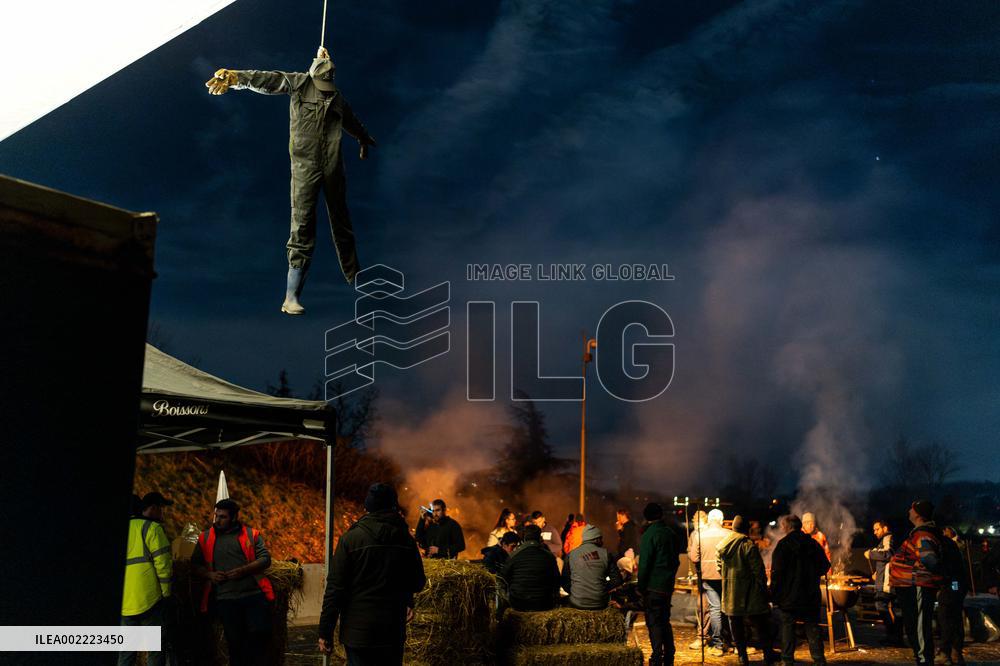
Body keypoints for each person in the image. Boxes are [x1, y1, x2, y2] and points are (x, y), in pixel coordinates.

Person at [205, 47, 377, 314]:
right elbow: (268, 79)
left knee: (342, 222)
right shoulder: (299, 82)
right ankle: (291, 297)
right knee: (302, 227)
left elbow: (352, 121)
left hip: (333, 167)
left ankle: (356, 278)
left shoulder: (337, 98)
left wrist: (363, 138)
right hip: (305, 168)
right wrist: (236, 77)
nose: (324, 90)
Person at [318, 483, 426, 665]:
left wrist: (325, 632)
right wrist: (406, 599)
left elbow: (335, 589)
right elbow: (417, 582)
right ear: (394, 506)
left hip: (358, 632)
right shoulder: (405, 539)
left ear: (367, 506)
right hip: (392, 631)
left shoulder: (350, 539)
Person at [192, 498, 274, 666]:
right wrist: (210, 575)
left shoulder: (251, 534)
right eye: (216, 516)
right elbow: (194, 565)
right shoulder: (205, 537)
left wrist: (244, 570)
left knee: (259, 636)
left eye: (223, 517)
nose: (218, 520)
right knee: (235, 643)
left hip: (253, 595)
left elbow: (265, 559)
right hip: (226, 599)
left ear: (234, 517)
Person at [119, 491, 174, 666]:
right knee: (155, 649)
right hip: (150, 598)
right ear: (154, 508)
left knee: (127, 651)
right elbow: (164, 566)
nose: (163, 513)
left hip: (126, 602)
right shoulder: (152, 528)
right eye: (161, 509)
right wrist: (166, 594)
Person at [717, 516, 779, 666]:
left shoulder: (722, 545)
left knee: (736, 624)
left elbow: (719, 568)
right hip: (750, 593)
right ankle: (767, 654)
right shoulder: (747, 545)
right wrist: (764, 589)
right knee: (761, 624)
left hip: (731, 593)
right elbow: (758, 571)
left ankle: (742, 657)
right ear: (747, 529)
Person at [890, 500, 944, 666]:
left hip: (918, 585)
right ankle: (921, 657)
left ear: (918, 515)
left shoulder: (923, 535)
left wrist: (916, 569)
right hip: (910, 586)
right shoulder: (917, 533)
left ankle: (924, 660)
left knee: (919, 626)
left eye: (911, 509)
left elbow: (930, 559)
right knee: (913, 625)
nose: (908, 511)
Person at [770, 514, 829, 666]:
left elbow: (776, 572)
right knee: (812, 628)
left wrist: (775, 594)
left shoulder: (783, 545)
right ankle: (819, 661)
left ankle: (787, 661)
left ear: (788, 527)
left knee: (787, 629)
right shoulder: (812, 544)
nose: (782, 528)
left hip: (789, 597)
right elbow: (825, 566)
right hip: (810, 595)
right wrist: (811, 574)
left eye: (783, 526)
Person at [638, 502, 680, 666]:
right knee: (664, 620)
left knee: (654, 622)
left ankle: (657, 657)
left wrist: (641, 587)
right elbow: (675, 561)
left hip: (653, 586)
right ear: (661, 515)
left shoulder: (649, 535)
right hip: (667, 585)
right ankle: (670, 654)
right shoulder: (671, 534)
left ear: (646, 517)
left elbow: (645, 564)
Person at [687, 508, 730, 655]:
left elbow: (693, 558)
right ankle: (731, 642)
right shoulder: (728, 534)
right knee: (729, 609)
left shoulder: (700, 535)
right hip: (726, 577)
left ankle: (717, 645)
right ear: (721, 520)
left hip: (708, 577)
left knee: (715, 610)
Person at [501, 524, 561, 611]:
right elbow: (556, 580)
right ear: (540, 538)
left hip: (519, 604)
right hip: (543, 603)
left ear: (524, 538)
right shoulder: (549, 556)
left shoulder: (514, 555)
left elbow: (503, 578)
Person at [561, 525, 623, 610]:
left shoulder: (571, 555)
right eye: (601, 538)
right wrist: (602, 589)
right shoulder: (606, 554)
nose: (602, 541)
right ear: (597, 539)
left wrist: (576, 592)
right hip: (600, 603)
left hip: (577, 603)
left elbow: (564, 581)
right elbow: (617, 580)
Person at [864, 519, 903, 645]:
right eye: (874, 530)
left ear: (885, 528)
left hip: (888, 581)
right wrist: (877, 572)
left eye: (877, 529)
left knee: (881, 605)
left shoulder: (888, 537)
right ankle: (896, 638)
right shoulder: (884, 540)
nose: (875, 532)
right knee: (895, 609)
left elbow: (888, 554)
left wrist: (871, 553)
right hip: (886, 579)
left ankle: (893, 636)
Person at [937, 526, 970, 666]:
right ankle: (956, 652)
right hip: (957, 585)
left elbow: (944, 568)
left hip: (952, 585)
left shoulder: (948, 546)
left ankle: (945, 652)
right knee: (955, 618)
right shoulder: (954, 546)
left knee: (946, 617)